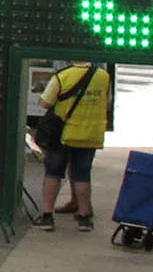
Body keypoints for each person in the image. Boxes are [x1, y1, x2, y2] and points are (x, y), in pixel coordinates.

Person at [32, 59, 110, 231]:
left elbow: (45, 103)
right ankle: (84, 217)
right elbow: (107, 101)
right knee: (82, 175)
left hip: (62, 134)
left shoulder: (62, 76)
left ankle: (47, 216)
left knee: (53, 173)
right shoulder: (103, 76)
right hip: (89, 134)